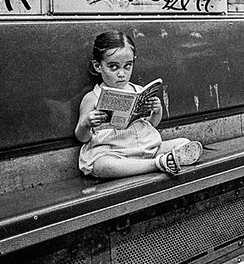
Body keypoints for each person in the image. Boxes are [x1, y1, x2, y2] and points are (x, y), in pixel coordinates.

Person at [75, 30, 203, 178]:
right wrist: (87, 123)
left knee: (183, 142)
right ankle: (156, 164)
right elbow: (82, 137)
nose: (122, 74)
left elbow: (151, 125)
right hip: (114, 152)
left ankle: (156, 161)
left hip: (146, 148)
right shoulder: (92, 97)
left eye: (127, 66)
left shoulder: (138, 91)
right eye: (113, 67)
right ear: (98, 66)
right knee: (102, 165)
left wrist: (156, 111)